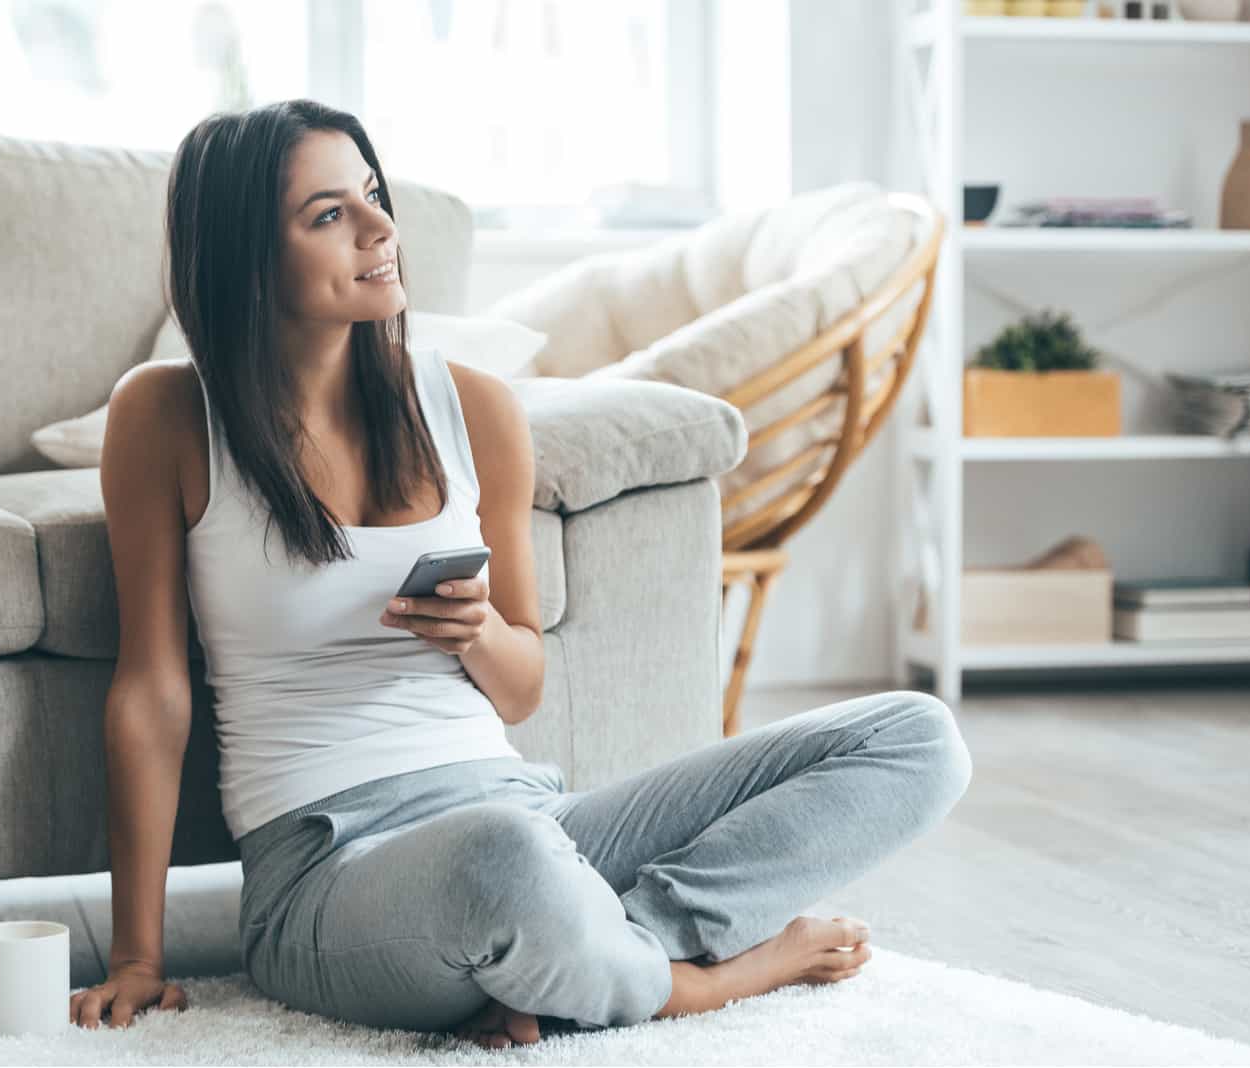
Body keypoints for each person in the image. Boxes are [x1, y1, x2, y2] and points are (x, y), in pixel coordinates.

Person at [69, 98, 974, 1047]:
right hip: (324, 869)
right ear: (248, 257)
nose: (382, 229)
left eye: (373, 196)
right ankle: (699, 983)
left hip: (530, 814)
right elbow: (152, 692)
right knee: (504, 866)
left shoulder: (475, 410)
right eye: (330, 214)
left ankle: (606, 950)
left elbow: (522, 690)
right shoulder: (168, 416)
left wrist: (479, 633)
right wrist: (138, 956)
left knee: (915, 737)